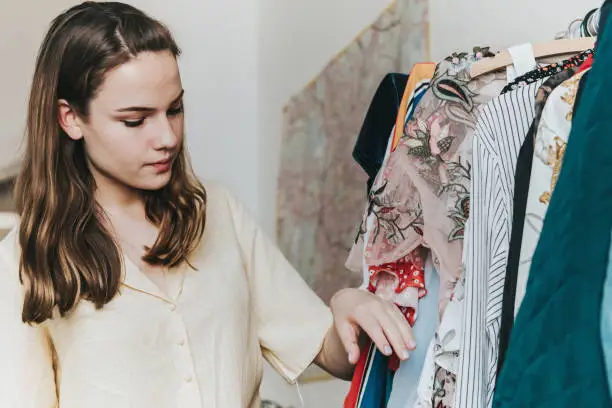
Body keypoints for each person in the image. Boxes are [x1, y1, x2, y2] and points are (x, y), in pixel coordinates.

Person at [0, 2, 415, 407]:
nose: (167, 137)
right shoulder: (21, 260)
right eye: (135, 120)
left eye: (175, 109)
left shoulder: (218, 212)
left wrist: (350, 307)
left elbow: (331, 352)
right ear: (70, 118)